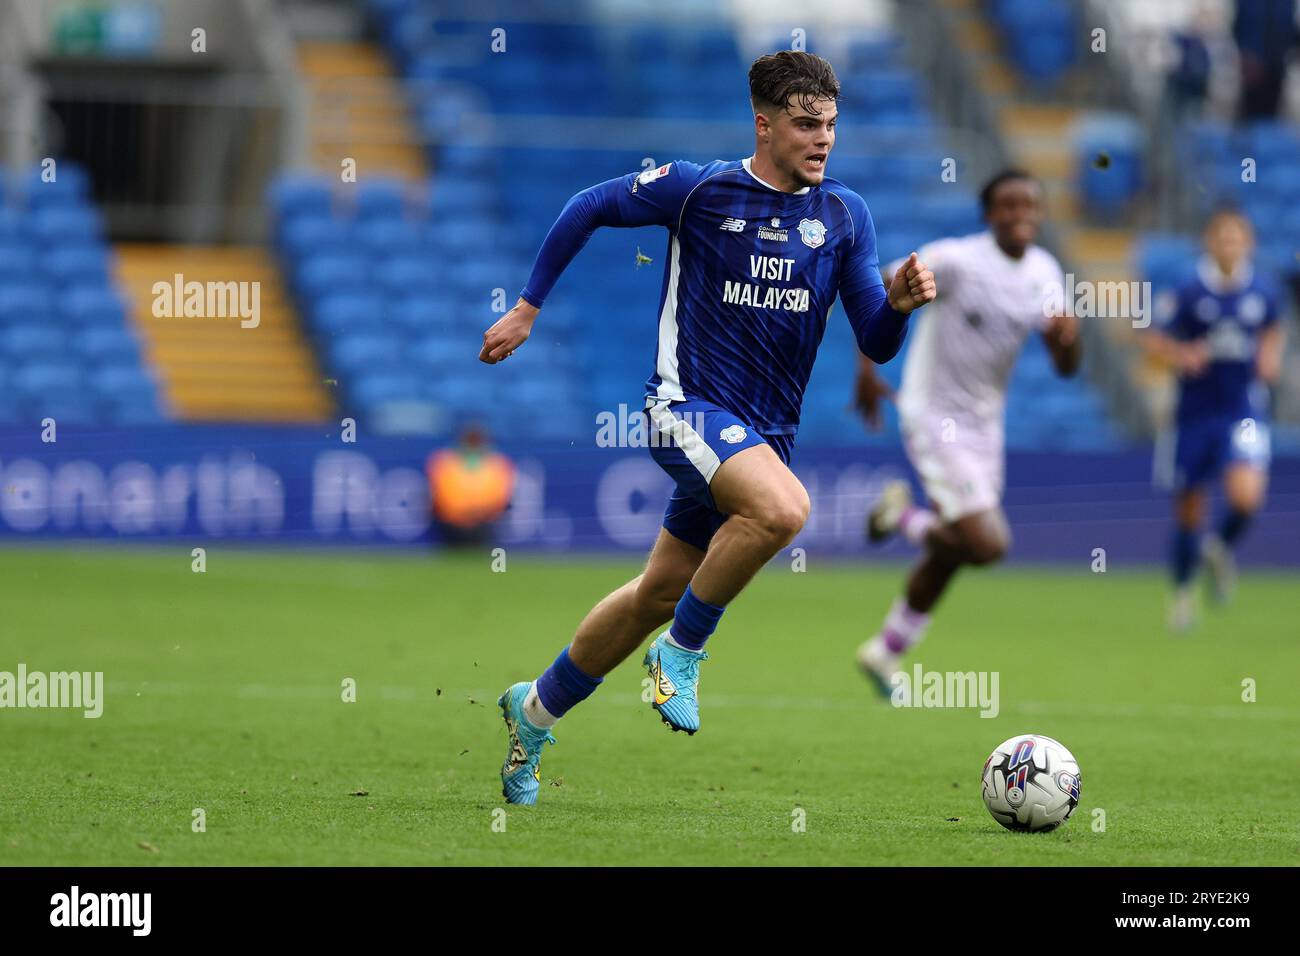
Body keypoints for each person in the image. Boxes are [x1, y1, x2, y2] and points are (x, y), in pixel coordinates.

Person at [478, 51, 936, 805]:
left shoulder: (845, 218)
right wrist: (529, 305)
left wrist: (903, 307)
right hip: (682, 408)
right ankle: (682, 655)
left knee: (658, 589)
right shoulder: (699, 190)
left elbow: (876, 341)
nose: (822, 140)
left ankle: (532, 711)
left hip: (759, 438)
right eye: (804, 124)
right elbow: (589, 205)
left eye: (830, 125)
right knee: (784, 509)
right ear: (763, 123)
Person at [853, 170, 1080, 695]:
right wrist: (868, 370)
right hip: (934, 415)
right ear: (988, 214)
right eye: (1009, 204)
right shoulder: (955, 259)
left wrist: (1070, 340)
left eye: (1030, 204)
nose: (1021, 212)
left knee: (955, 549)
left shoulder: (1045, 271)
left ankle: (884, 652)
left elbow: (1066, 365)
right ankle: (904, 517)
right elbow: (880, 292)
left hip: (985, 425)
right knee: (986, 543)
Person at [1146, 208, 1286, 631]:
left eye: (1237, 237)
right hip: (1193, 413)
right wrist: (1180, 355)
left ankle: (1217, 548)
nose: (1229, 245)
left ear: (1249, 243)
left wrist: (1270, 356)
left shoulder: (1263, 291)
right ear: (1209, 241)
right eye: (1222, 237)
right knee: (1189, 508)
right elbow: (1153, 338)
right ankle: (1183, 596)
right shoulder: (1188, 291)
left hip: (1242, 411)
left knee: (1246, 498)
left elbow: (1273, 330)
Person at [425, 422, 515, 547]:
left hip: (484, 522)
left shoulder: (497, 463)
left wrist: (480, 512)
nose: (474, 445)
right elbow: (441, 493)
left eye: (477, 440)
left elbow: (500, 495)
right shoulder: (445, 461)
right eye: (471, 440)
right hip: (452, 522)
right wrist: (459, 513)